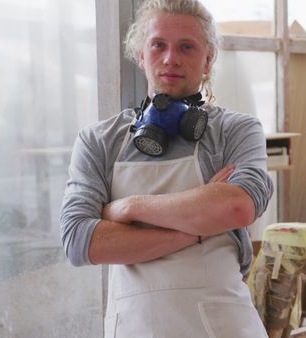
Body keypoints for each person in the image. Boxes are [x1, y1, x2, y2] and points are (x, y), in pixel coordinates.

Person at [59, 0, 273, 336]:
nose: (171, 58)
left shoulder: (237, 130)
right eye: (158, 45)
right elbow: (80, 241)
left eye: (186, 47)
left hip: (222, 326)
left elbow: (237, 205)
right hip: (133, 325)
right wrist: (200, 228)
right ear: (141, 55)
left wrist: (128, 207)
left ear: (208, 59)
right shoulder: (99, 140)